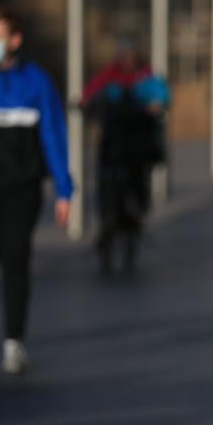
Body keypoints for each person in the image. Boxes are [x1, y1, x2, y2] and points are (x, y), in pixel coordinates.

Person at [0, 7, 73, 373]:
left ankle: (14, 341)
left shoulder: (36, 82)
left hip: (20, 190)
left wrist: (64, 189)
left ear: (15, 40)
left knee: (16, 260)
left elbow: (54, 136)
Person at [82, 40, 169, 275]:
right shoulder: (109, 80)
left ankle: (132, 230)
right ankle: (107, 235)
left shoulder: (148, 80)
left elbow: (162, 98)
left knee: (136, 196)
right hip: (112, 150)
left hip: (137, 152)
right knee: (107, 195)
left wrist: (156, 106)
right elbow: (89, 97)